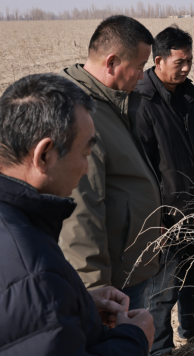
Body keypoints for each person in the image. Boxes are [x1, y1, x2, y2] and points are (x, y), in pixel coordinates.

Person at [0, 74, 154, 355]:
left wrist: (75, 303)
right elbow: (21, 297)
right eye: (85, 153)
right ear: (44, 154)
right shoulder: (27, 270)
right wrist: (134, 340)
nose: (86, 168)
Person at [133, 26, 194, 353]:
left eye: (190, 61)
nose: (186, 68)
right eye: (179, 62)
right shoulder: (141, 102)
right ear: (158, 60)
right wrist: (154, 217)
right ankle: (159, 347)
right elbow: (141, 168)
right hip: (166, 214)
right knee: (162, 287)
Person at [59, 15, 162, 307]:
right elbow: (80, 209)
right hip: (111, 284)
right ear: (112, 62)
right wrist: (95, 288)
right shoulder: (80, 114)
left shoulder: (110, 101)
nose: (142, 76)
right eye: (140, 66)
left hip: (127, 266)